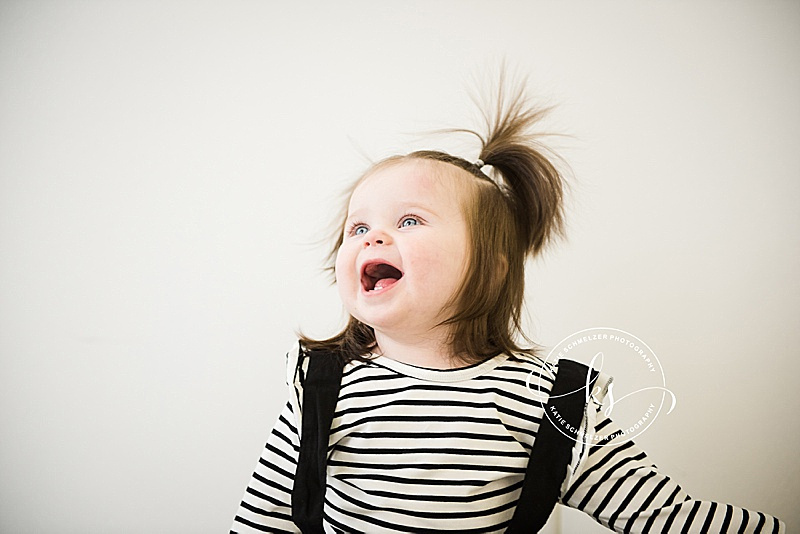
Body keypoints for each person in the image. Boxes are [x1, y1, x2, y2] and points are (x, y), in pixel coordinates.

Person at [230, 82, 785, 533]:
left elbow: (663, 514)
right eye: (358, 226)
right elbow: (269, 516)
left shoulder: (547, 400)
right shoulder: (323, 382)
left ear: (492, 267)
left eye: (409, 221)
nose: (372, 239)